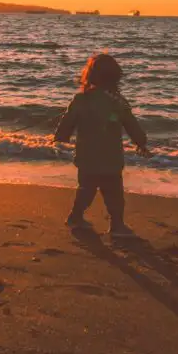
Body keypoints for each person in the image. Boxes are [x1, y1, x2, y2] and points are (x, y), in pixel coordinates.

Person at [54, 53, 151, 237]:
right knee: (114, 193)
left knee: (86, 189)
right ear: (116, 77)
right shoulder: (118, 102)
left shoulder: (81, 99)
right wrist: (141, 142)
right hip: (110, 158)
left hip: (86, 156)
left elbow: (67, 122)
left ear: (89, 75)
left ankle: (75, 217)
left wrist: (60, 137)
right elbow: (131, 125)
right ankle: (116, 225)